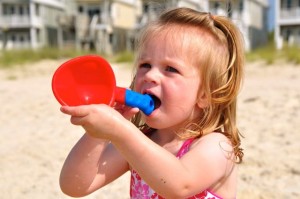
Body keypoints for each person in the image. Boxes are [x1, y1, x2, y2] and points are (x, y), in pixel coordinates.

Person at [59, 7, 244, 199]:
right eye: (145, 65)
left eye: (171, 69)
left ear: (205, 95)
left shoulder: (216, 146)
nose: (150, 75)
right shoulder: (140, 141)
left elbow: (180, 185)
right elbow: (75, 186)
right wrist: (97, 135)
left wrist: (121, 130)